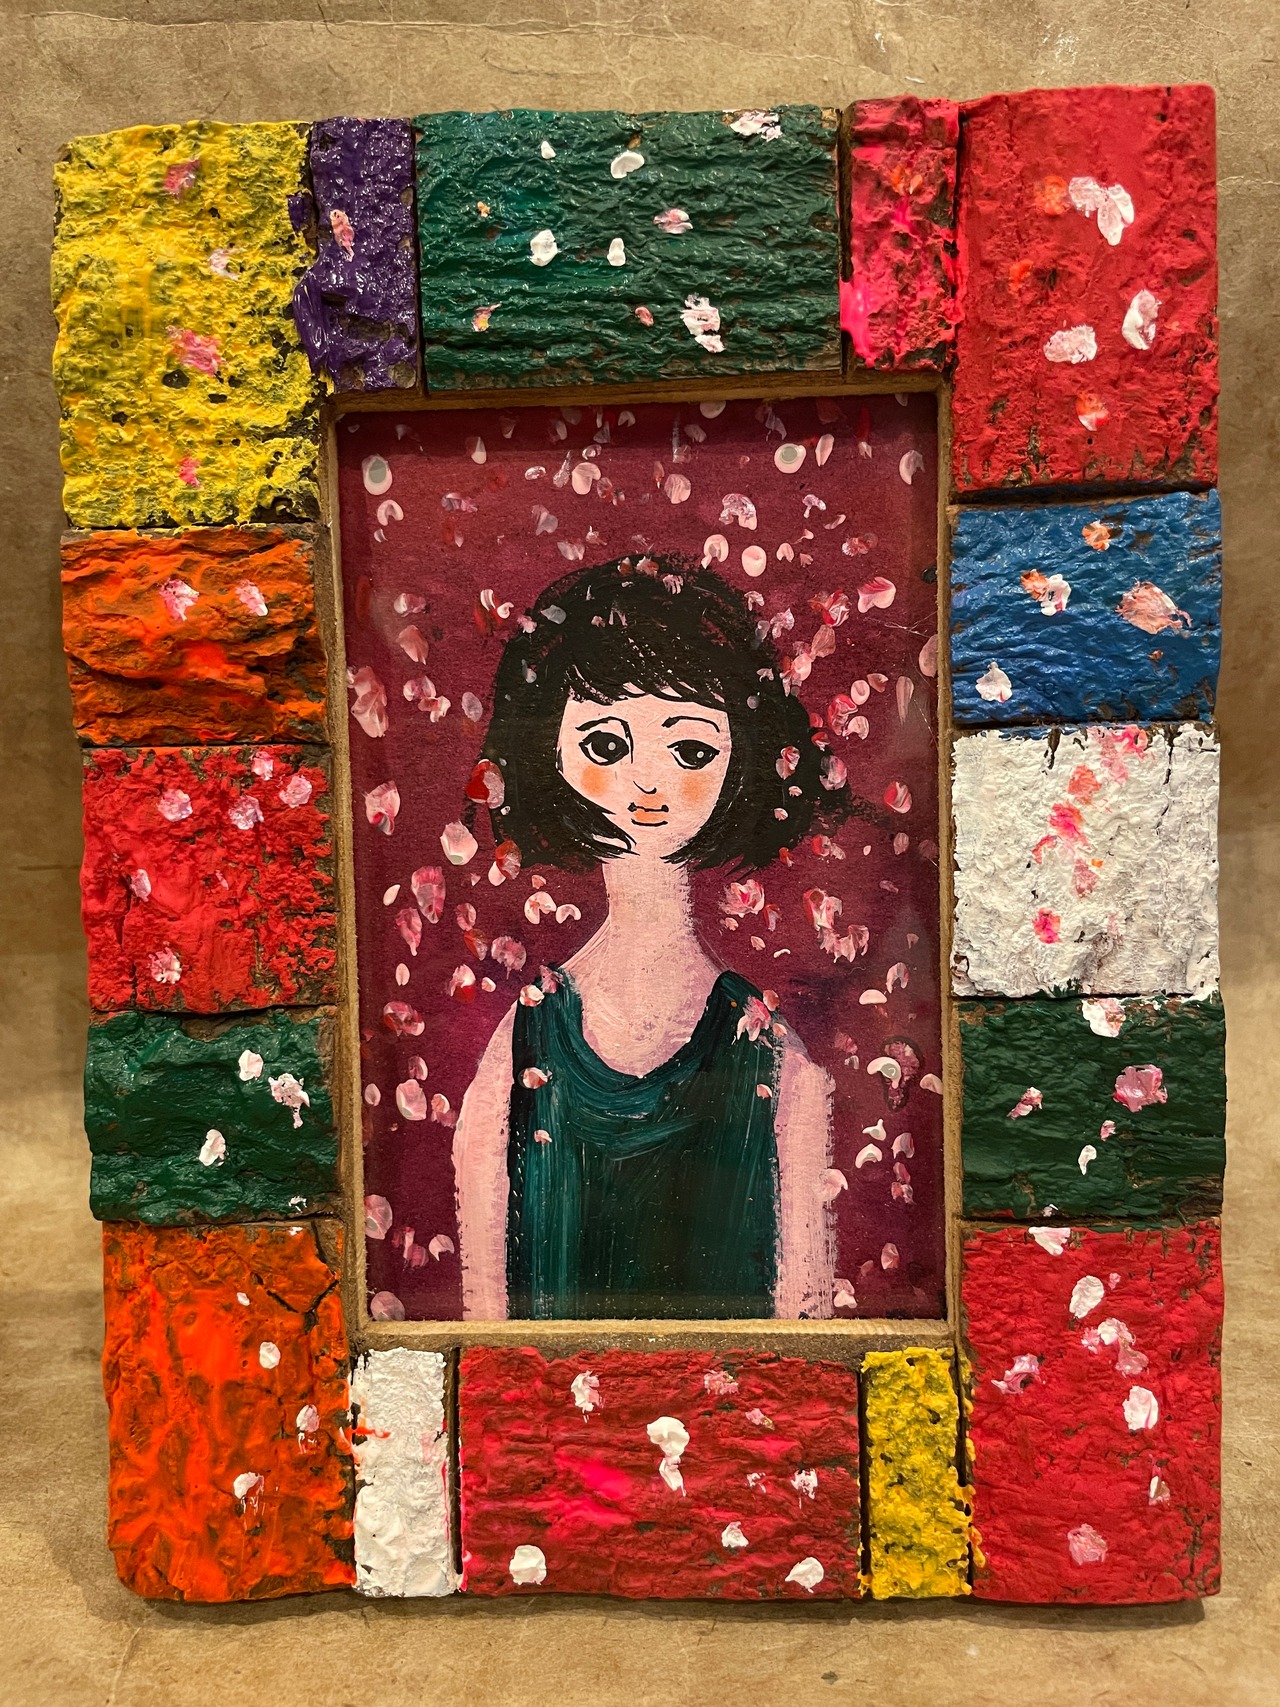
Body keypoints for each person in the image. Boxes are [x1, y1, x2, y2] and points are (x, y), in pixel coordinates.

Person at [452, 556, 852, 1321]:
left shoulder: (777, 1064)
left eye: (690, 750)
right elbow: (483, 1317)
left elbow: (805, 1324)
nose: (647, 782)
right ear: (549, 753)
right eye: (606, 745)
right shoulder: (520, 1048)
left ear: (742, 756)